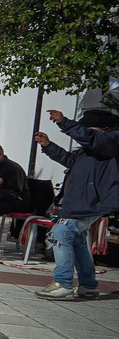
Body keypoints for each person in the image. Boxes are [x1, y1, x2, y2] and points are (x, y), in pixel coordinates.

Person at [34, 108, 118, 300]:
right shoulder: (91, 148)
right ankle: (88, 286)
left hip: (91, 202)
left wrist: (64, 122)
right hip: (82, 201)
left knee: (61, 233)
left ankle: (62, 283)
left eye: (91, 129)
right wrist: (48, 145)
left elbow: (91, 138)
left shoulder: (109, 141)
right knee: (77, 240)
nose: (87, 133)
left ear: (104, 128)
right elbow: (71, 161)